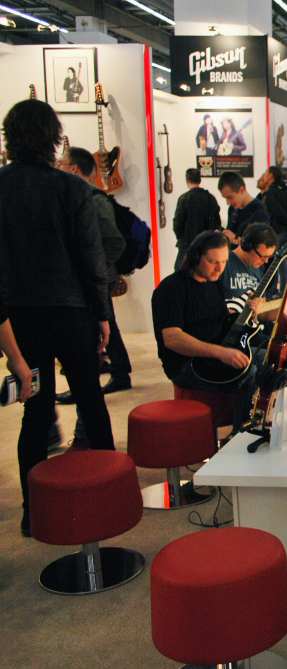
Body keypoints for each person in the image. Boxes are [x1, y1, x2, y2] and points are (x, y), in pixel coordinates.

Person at [0, 99, 115, 538]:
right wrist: (101, 314)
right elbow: (91, 258)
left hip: (19, 317)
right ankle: (110, 496)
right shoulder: (72, 189)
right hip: (71, 312)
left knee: (35, 411)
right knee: (91, 400)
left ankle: (34, 512)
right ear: (54, 138)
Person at [151, 231, 263, 429]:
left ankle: (262, 421)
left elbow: (222, 322)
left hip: (215, 352)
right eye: (213, 262)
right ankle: (241, 433)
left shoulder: (214, 283)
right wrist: (220, 353)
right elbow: (172, 338)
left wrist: (249, 312)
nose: (220, 268)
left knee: (269, 356)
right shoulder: (170, 289)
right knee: (250, 373)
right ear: (195, 258)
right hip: (186, 364)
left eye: (224, 261)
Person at [54, 147, 131, 411]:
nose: (57, 167)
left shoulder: (92, 198)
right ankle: (118, 372)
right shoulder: (78, 196)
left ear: (73, 168)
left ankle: (101, 381)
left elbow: (115, 242)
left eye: (61, 163)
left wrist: (92, 267)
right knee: (106, 325)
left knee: (96, 328)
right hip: (94, 276)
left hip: (96, 278)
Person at [220, 223, 287, 317]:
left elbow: (263, 314)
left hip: (253, 326)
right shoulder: (223, 264)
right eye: (262, 256)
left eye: (269, 257)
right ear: (246, 245)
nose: (266, 261)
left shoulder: (256, 269)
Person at [173, 168, 222, 271]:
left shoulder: (184, 198)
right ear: (200, 180)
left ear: (187, 180)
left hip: (187, 245)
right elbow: (217, 222)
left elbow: (177, 222)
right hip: (206, 245)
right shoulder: (210, 198)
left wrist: (181, 237)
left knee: (181, 273)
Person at [219, 171, 270, 241]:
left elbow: (262, 243)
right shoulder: (232, 209)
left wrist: (235, 239)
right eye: (225, 198)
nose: (228, 203)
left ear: (241, 190)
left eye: (230, 197)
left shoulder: (260, 212)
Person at [256, 166, 287, 240]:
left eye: (266, 173)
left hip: (276, 231)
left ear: (270, 176)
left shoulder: (271, 191)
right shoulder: (286, 189)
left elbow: (276, 210)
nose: (264, 176)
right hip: (285, 231)